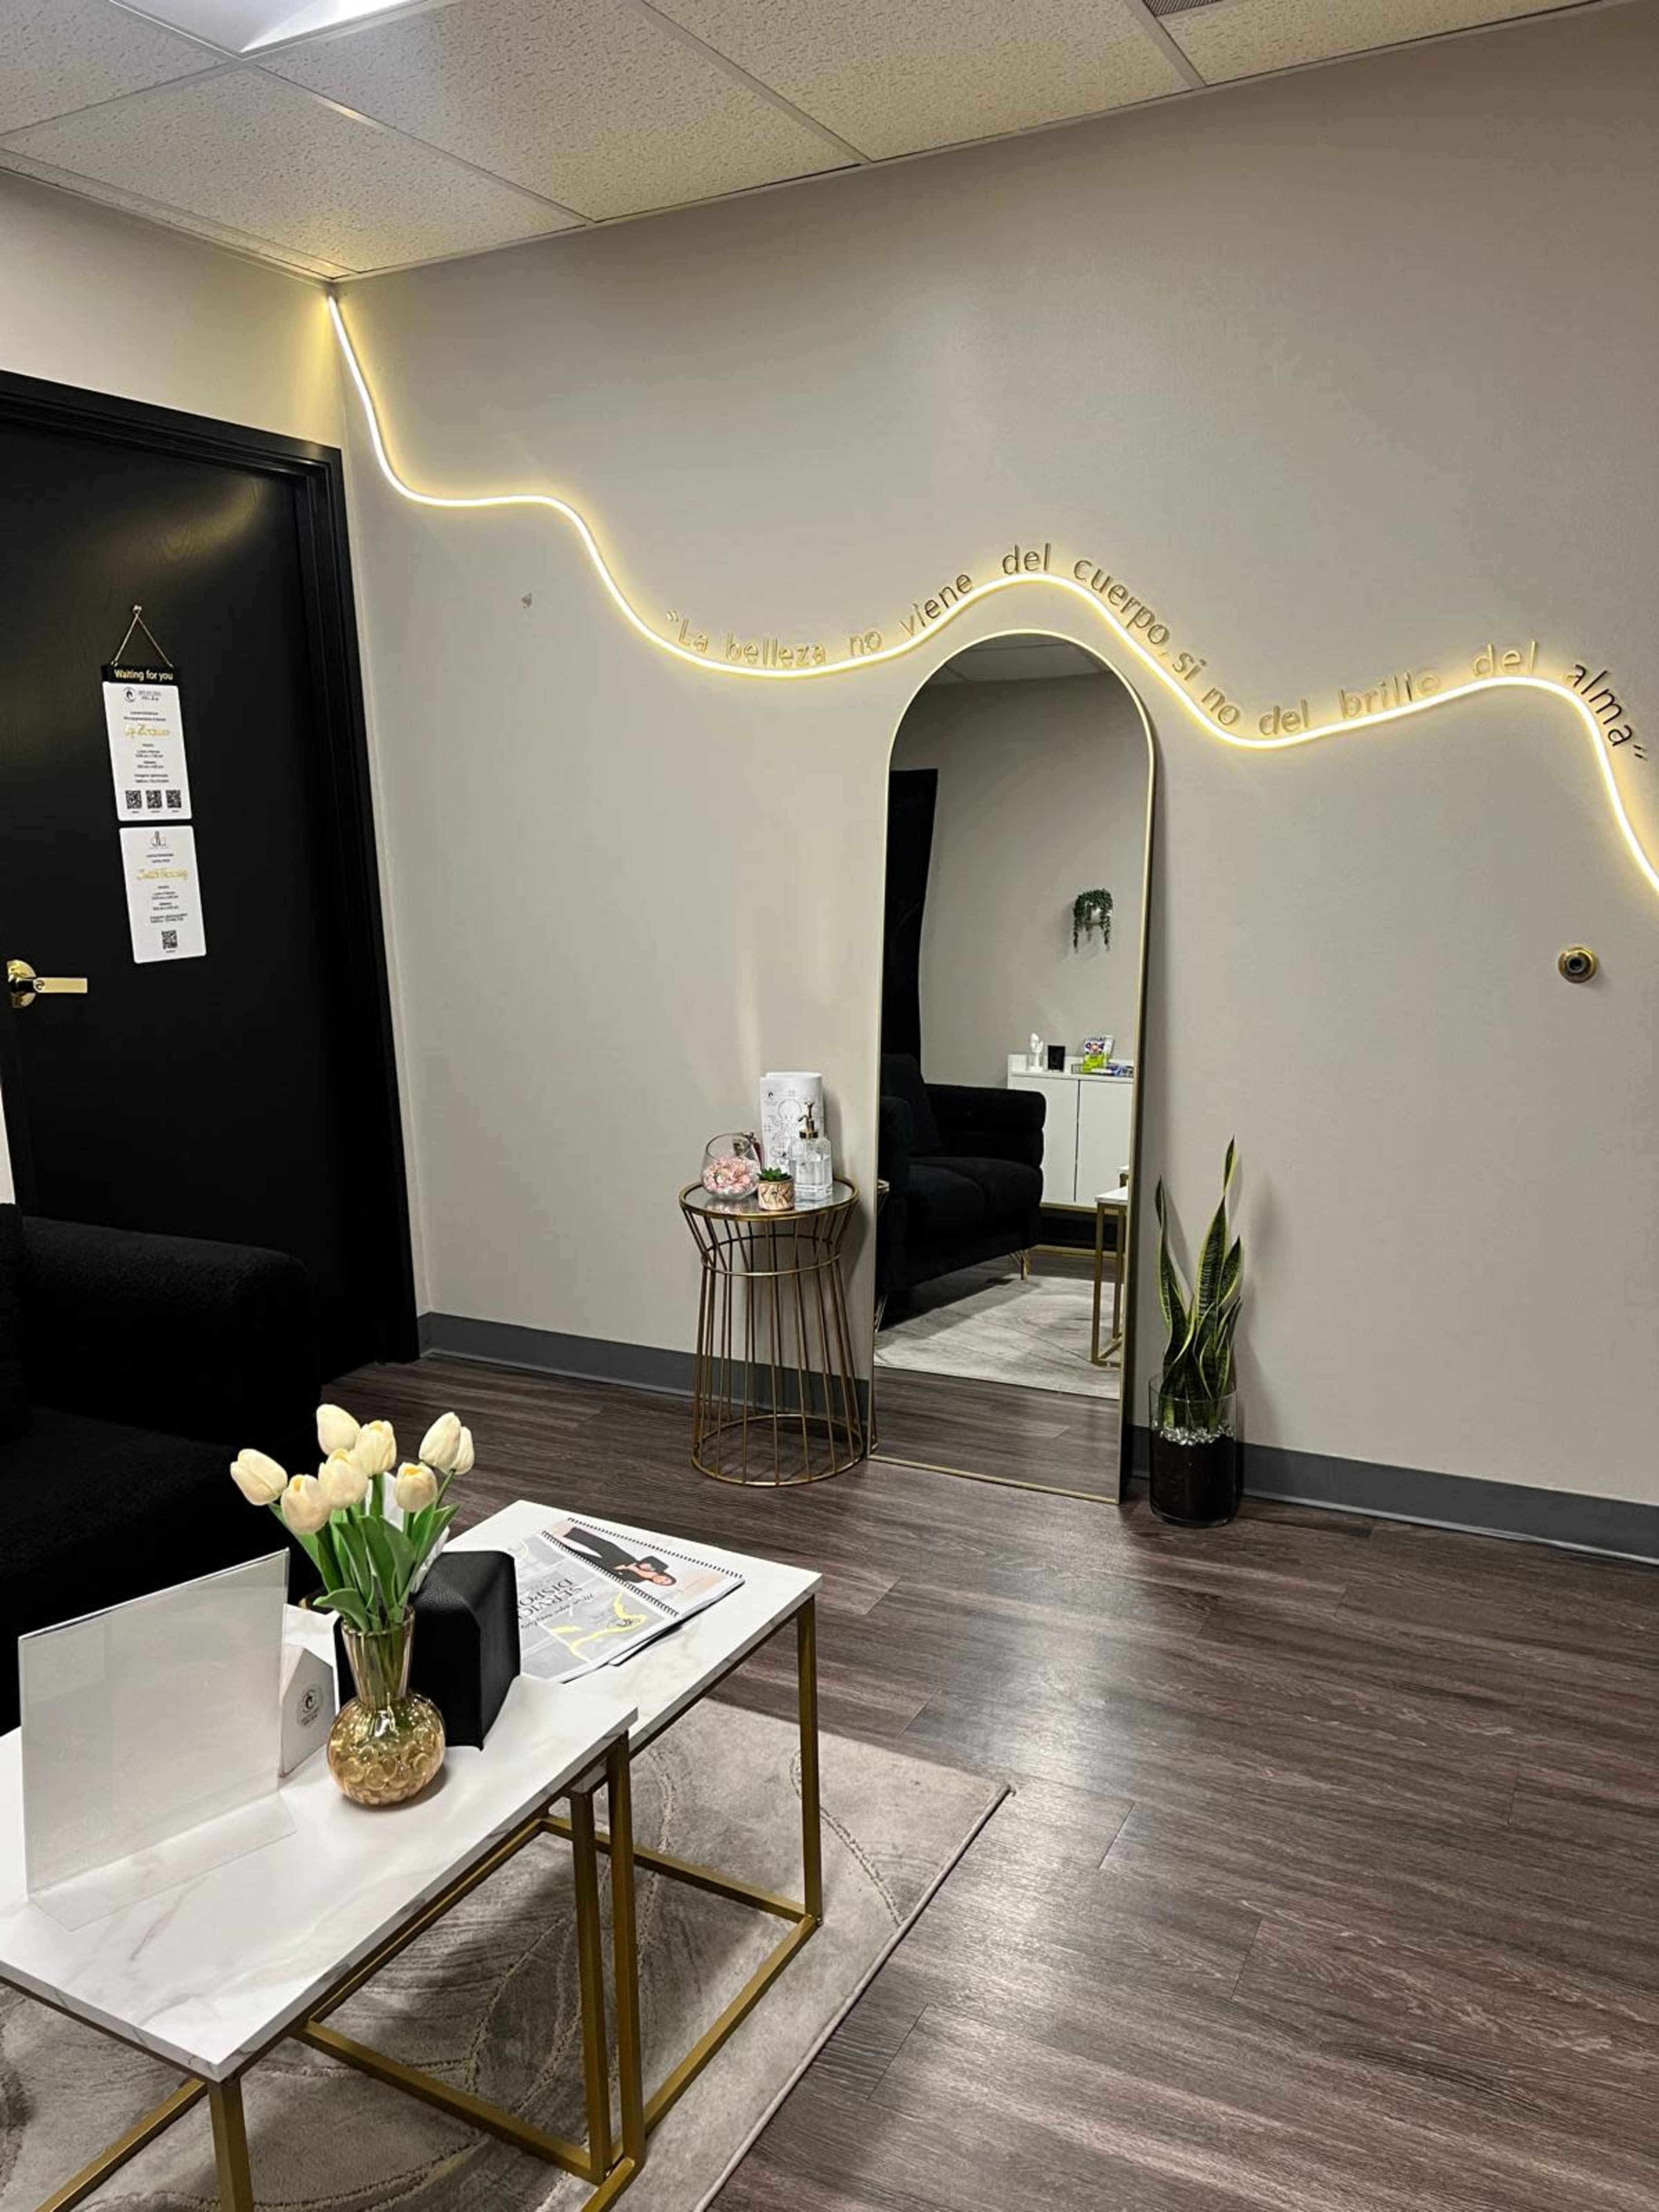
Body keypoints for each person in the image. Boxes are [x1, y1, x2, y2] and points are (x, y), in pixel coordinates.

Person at [560, 1522, 677, 1589]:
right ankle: (570, 1532)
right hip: (623, 1557)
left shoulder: (638, 1581)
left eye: (662, 1583)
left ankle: (558, 1546)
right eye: (666, 1579)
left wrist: (622, 1570)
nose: (661, 1580)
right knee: (602, 1545)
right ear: (667, 1575)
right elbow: (651, 1559)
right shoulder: (662, 1567)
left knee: (582, 1556)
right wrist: (642, 1565)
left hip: (611, 1566)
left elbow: (619, 1576)